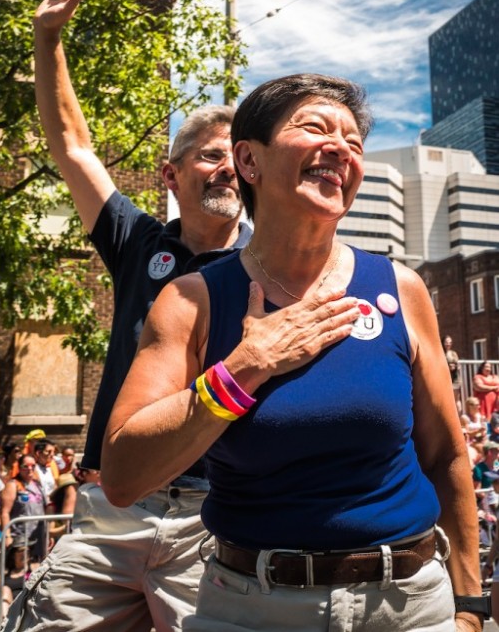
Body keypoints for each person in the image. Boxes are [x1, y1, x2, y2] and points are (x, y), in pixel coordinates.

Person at [103, 73, 484, 632]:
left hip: (408, 607)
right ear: (249, 162)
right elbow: (122, 475)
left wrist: (470, 607)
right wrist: (243, 369)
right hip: (248, 607)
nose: (341, 148)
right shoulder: (191, 300)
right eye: (315, 127)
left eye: (354, 142)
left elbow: (447, 456)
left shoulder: (401, 288)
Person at [3, 0, 251, 632]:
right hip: (111, 512)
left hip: (215, 523)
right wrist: (48, 39)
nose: (226, 165)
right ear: (170, 175)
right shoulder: (141, 245)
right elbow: (75, 148)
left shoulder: (266, 273)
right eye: (208, 153)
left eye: (238, 157)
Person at [0, 455, 47, 562]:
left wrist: (48, 533)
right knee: (19, 572)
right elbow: (4, 512)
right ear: (20, 467)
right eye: (26, 466)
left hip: (38, 535)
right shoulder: (13, 485)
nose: (30, 469)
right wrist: (7, 536)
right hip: (20, 537)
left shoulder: (37, 484)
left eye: (33, 466)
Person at [442, 335, 461, 411]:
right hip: (444, 379)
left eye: (450, 342)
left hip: (455, 378)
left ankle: (458, 418)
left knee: (456, 400)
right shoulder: (440, 352)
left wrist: (454, 367)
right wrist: (447, 367)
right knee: (446, 399)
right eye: (446, 342)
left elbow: (458, 365)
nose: (448, 344)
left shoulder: (453, 353)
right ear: (442, 342)